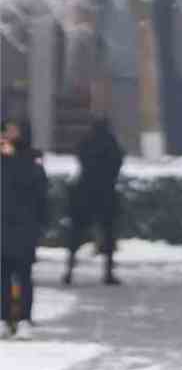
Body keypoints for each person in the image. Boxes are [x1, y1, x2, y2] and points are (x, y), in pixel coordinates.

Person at [1, 118, 49, 338]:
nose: (8, 135)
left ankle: (23, 319)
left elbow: (40, 196)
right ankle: (3, 318)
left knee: (23, 275)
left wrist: (38, 226)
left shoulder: (32, 161)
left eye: (13, 130)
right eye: (6, 130)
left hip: (23, 228)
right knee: (2, 276)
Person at [64, 115, 125, 286]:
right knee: (108, 233)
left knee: (76, 233)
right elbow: (118, 163)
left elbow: (80, 157)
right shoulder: (111, 144)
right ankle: (108, 272)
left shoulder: (86, 142)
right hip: (105, 193)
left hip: (84, 191)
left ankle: (69, 270)